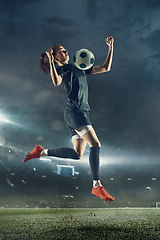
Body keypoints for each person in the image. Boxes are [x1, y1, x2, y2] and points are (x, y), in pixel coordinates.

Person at [23, 36, 114, 202]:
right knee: (95, 144)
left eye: (65, 50)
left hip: (79, 113)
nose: (66, 52)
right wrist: (51, 62)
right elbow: (57, 82)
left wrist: (110, 47)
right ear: (55, 56)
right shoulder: (61, 70)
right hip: (75, 112)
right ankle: (96, 186)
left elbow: (105, 68)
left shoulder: (78, 66)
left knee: (77, 154)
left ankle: (41, 152)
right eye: (62, 51)